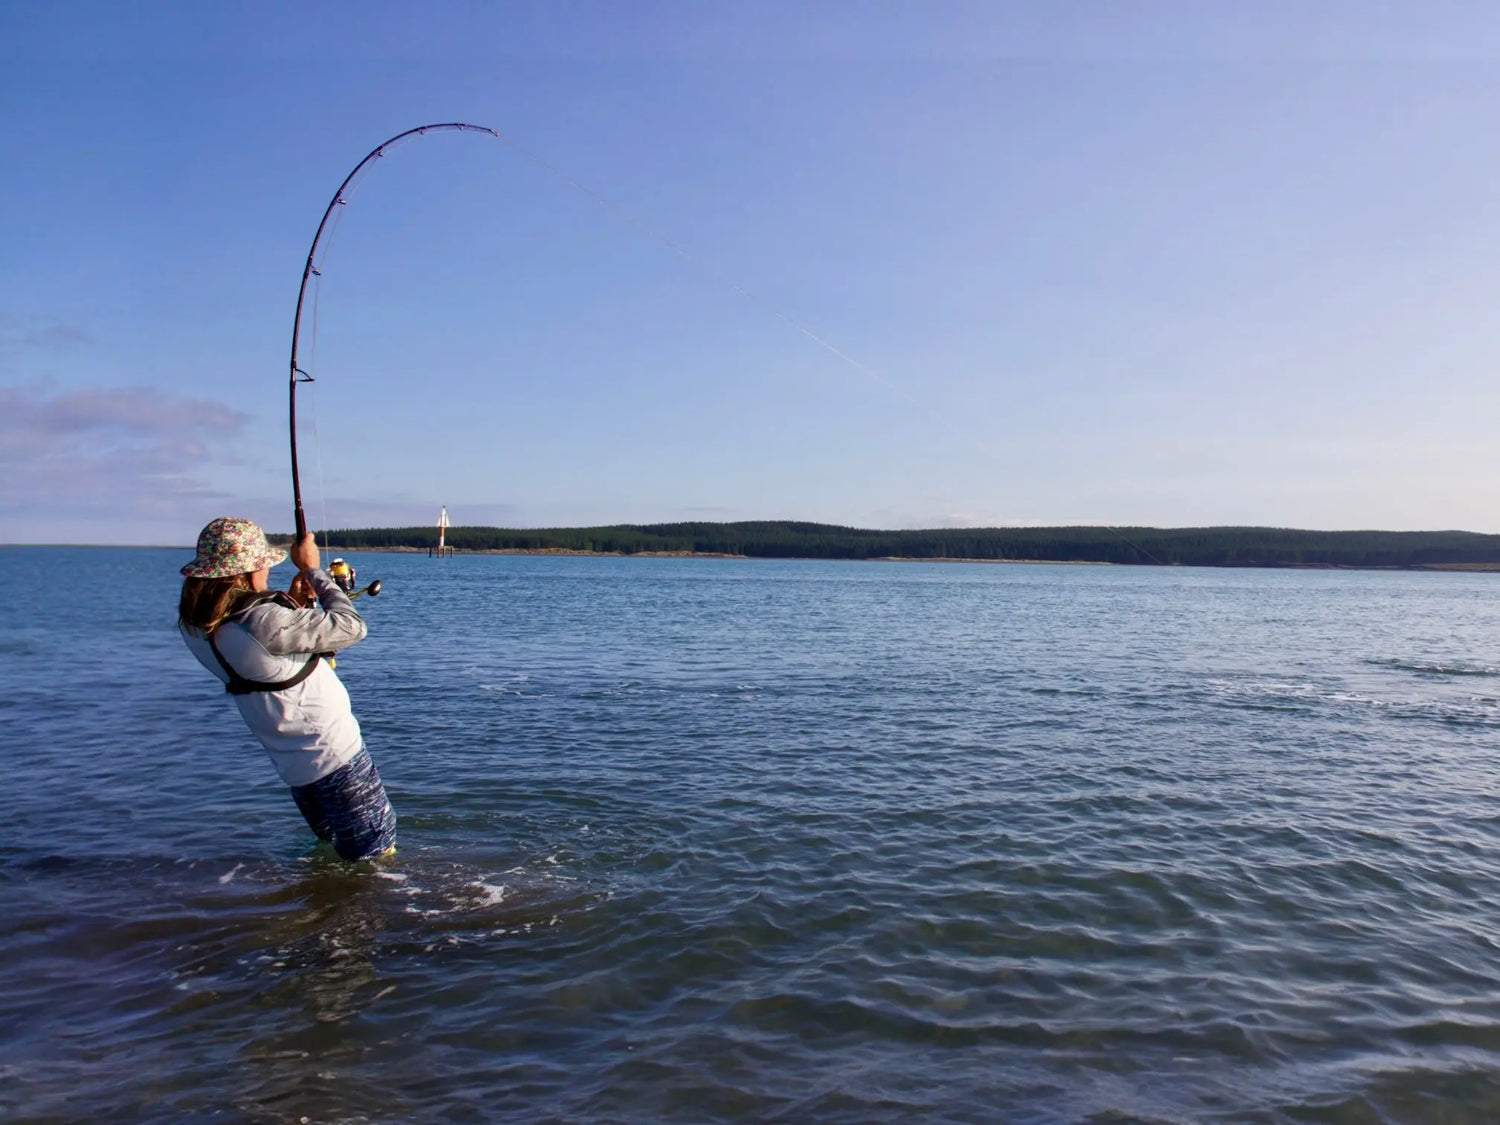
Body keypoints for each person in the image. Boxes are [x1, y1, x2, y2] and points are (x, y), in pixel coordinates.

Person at [178, 516, 396, 860]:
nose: (265, 573)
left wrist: (296, 605)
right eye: (262, 566)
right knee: (376, 859)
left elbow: (267, 657)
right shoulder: (261, 620)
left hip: (296, 769)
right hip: (337, 760)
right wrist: (314, 571)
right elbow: (352, 627)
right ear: (248, 572)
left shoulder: (196, 627)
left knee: (331, 854)